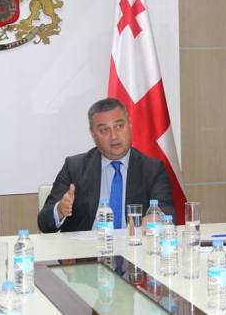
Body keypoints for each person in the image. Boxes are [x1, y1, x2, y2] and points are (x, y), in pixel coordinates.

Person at [37, 98, 174, 233]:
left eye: (119, 126)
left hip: (134, 244)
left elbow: (167, 209)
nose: (114, 136)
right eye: (104, 130)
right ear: (93, 133)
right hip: (86, 247)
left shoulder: (152, 169)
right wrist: (60, 210)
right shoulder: (74, 168)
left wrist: (157, 217)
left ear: (129, 124)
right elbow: (44, 223)